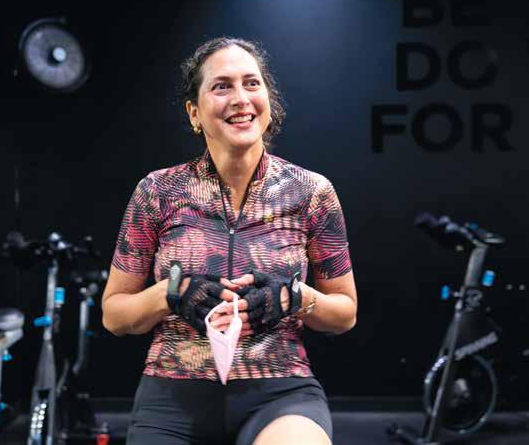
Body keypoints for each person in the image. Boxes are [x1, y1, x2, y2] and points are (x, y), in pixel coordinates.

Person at [102, 37, 358, 445]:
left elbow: (345, 313)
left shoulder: (311, 192)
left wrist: (295, 297)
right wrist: (171, 294)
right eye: (222, 86)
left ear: (268, 101)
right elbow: (114, 315)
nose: (240, 98)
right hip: (171, 397)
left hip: (280, 392)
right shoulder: (157, 192)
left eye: (251, 84)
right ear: (194, 112)